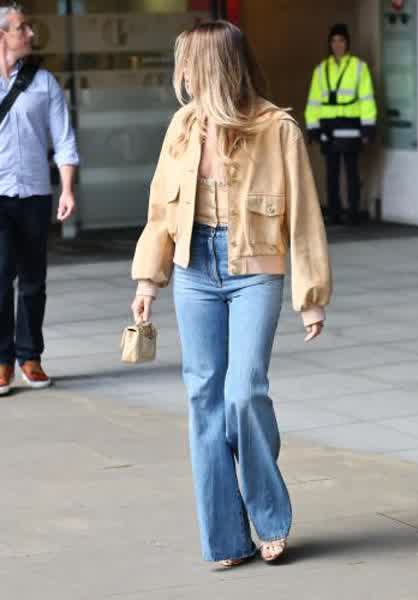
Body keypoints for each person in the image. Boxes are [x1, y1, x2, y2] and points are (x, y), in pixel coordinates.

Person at [131, 21, 332, 567]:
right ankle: (226, 538)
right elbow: (160, 210)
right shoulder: (182, 126)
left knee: (243, 393)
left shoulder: (277, 129)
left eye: (189, 63)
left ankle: (269, 516)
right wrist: (148, 280)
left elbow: (304, 217)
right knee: (203, 399)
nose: (182, 74)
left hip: (254, 270)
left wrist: (311, 295)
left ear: (214, 68)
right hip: (194, 268)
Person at [0, 3, 79, 396]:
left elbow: (63, 139)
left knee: (33, 278)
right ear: (2, 35)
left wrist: (67, 188)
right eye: (22, 27)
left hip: (34, 193)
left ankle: (30, 357)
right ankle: (1, 361)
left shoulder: (43, 81)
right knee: (0, 277)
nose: (30, 33)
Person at [305, 23, 377, 225]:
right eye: (334, 40)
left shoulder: (359, 67)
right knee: (332, 173)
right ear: (329, 43)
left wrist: (368, 128)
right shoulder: (321, 70)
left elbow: (367, 98)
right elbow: (314, 101)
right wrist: (313, 127)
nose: (337, 44)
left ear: (347, 43)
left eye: (341, 40)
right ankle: (334, 212)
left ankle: (353, 212)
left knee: (352, 172)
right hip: (328, 127)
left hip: (351, 125)